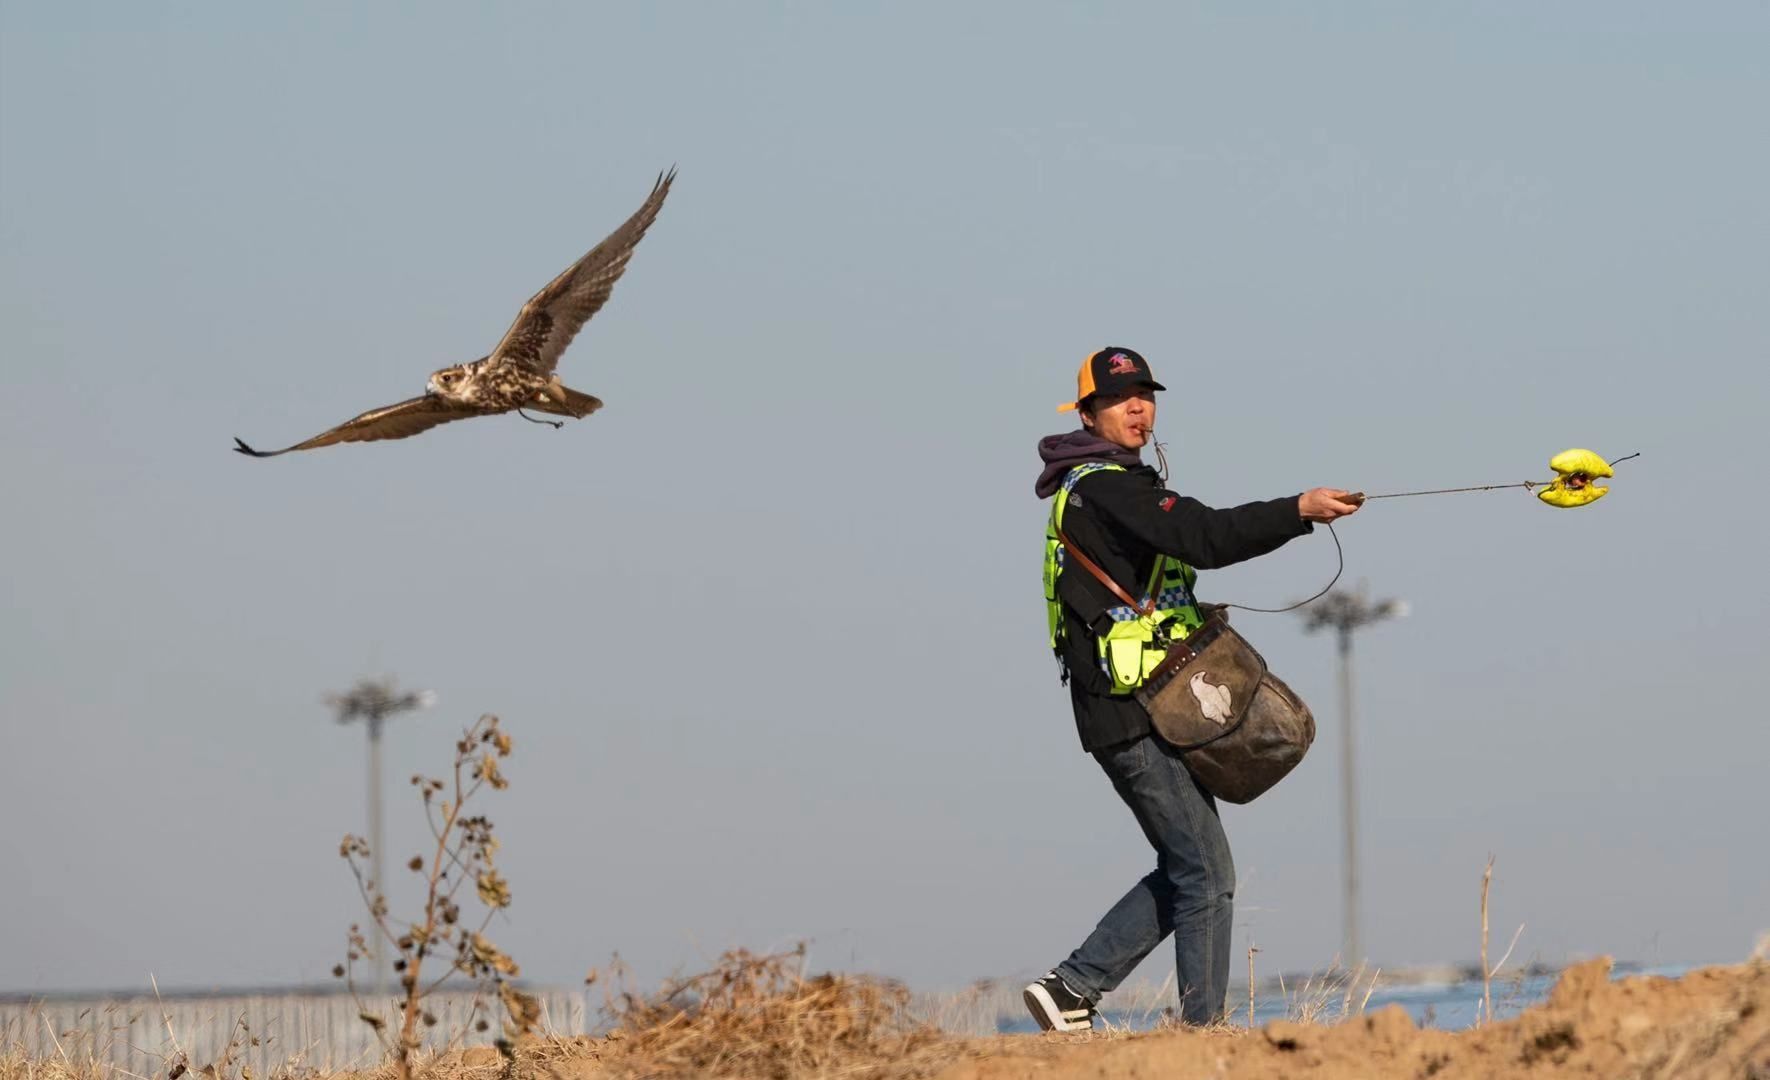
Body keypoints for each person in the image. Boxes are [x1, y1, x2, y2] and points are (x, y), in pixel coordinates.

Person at [1025, 346, 1361, 1031]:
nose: (1139, 406)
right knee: (1205, 872)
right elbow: (1204, 536)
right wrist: (1297, 509)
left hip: (1145, 707)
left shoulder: (1116, 484)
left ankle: (1071, 989)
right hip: (1130, 713)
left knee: (1190, 865)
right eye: (1122, 398)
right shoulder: (1106, 487)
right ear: (1087, 412)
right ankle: (1201, 1030)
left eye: (1146, 394)